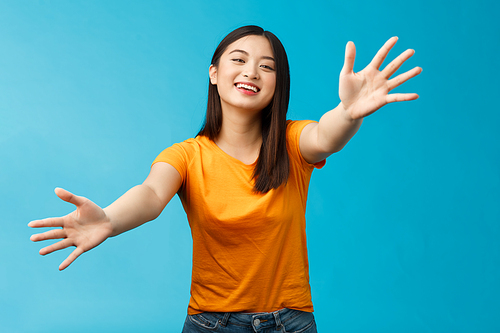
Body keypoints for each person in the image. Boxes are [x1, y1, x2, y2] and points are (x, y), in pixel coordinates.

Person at [29, 25, 421, 332]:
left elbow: (326, 136)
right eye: (239, 59)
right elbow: (150, 194)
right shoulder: (186, 155)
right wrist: (110, 220)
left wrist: (349, 112)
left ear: (277, 85)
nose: (252, 71)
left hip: (291, 322)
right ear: (214, 73)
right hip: (211, 323)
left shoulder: (291, 142)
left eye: (267, 66)